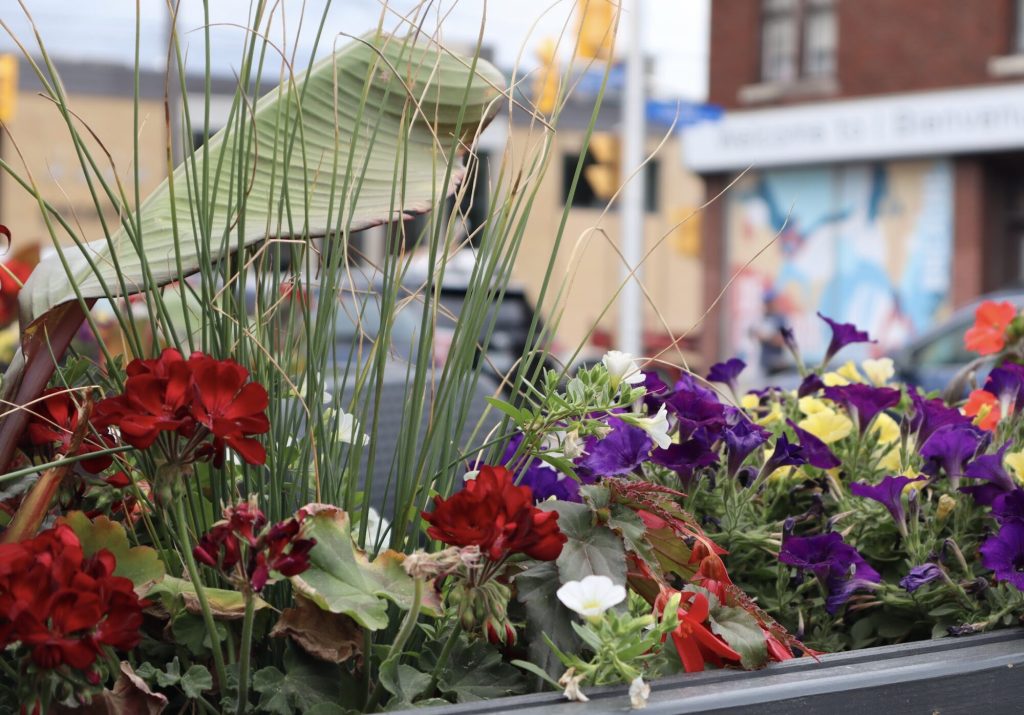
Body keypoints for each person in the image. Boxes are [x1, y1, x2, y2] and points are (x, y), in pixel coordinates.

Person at [750, 291, 792, 375]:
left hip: (777, 363)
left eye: (770, 302)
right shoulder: (761, 318)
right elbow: (754, 334)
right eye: (766, 302)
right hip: (764, 363)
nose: (768, 305)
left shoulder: (780, 319)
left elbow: (782, 340)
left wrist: (767, 336)